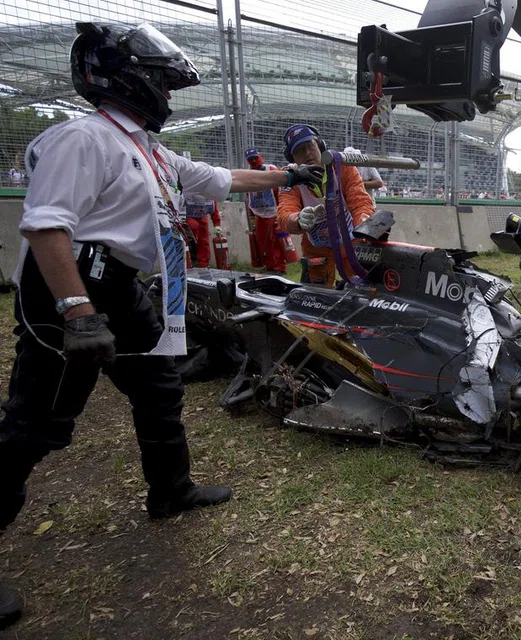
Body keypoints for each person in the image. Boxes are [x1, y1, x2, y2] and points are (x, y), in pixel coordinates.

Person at [0, 21, 326, 631]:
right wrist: (78, 311)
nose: (170, 98)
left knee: (158, 388)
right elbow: (46, 227)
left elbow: (221, 180)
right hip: (73, 288)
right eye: (163, 85)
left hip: (122, 287)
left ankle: (170, 490)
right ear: (126, 79)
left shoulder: (148, 149)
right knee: (36, 424)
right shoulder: (84, 140)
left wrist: (291, 176)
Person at [277, 127, 374, 287]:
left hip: (351, 240)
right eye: (300, 150)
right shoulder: (289, 178)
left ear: (320, 146)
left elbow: (360, 201)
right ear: (292, 157)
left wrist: (364, 223)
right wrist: (298, 219)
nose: (307, 153)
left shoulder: (342, 166)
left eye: (310, 146)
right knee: (315, 294)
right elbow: (284, 213)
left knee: (363, 287)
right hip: (316, 247)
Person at [244, 147, 288, 274]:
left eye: (255, 158)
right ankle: (269, 264)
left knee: (275, 239)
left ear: (260, 156)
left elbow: (281, 190)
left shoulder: (271, 169)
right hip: (259, 213)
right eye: (250, 159)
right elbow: (249, 196)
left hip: (274, 211)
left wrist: (282, 210)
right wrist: (251, 215)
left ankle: (279, 266)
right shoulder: (247, 175)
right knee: (262, 239)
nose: (253, 160)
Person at [183, 193, 222, 268]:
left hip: (202, 217)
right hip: (187, 216)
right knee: (192, 228)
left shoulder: (209, 189)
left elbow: (214, 206)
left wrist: (217, 224)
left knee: (204, 241)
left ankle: (203, 264)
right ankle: (188, 262)